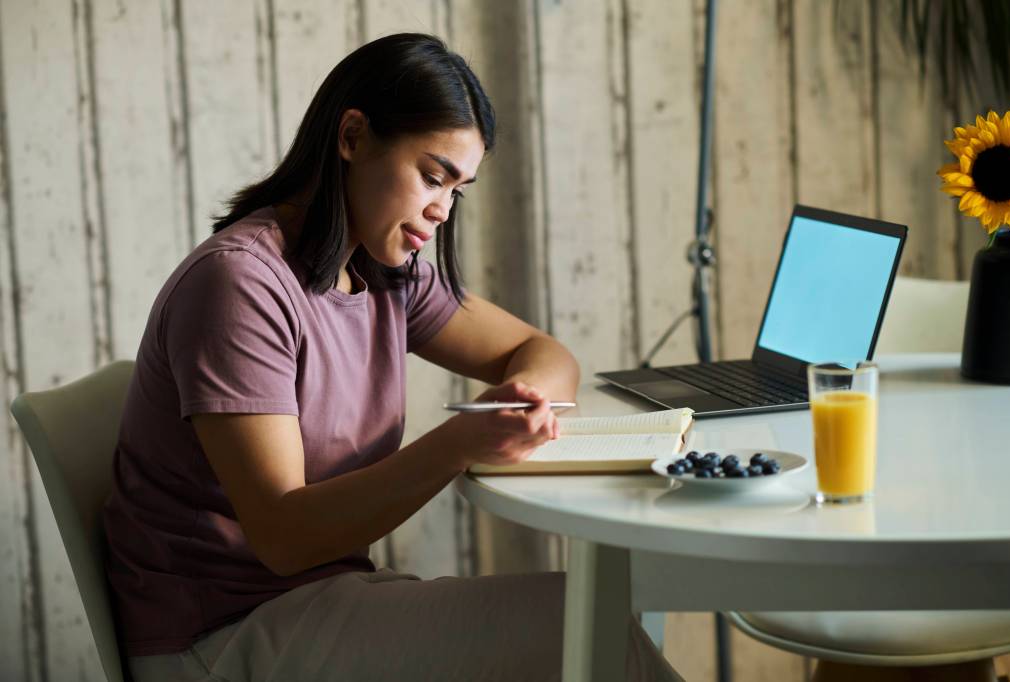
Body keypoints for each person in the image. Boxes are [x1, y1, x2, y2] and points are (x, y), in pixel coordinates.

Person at [103, 33, 683, 681]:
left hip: (322, 601)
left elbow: (541, 352)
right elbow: (284, 537)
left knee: (588, 623)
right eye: (432, 176)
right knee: (581, 625)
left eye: (457, 191)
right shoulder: (241, 286)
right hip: (223, 634)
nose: (440, 210)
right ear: (352, 137)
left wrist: (524, 397)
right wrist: (459, 442)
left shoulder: (384, 274)